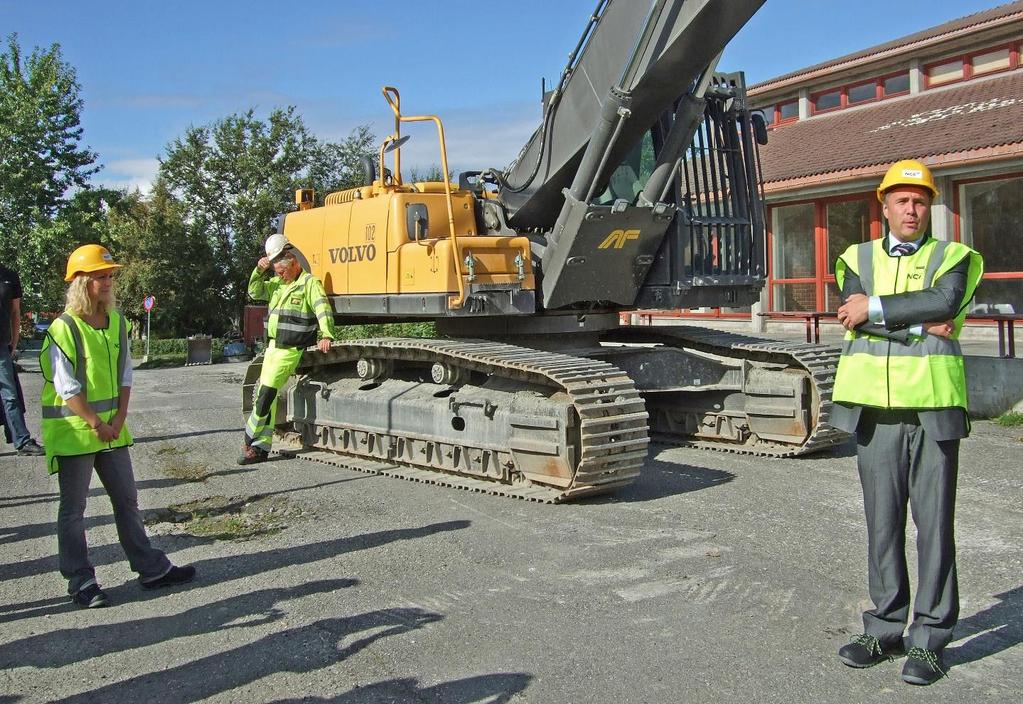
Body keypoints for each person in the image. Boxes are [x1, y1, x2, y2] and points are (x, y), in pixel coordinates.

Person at [830, 160, 984, 686]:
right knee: (882, 525)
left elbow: (945, 301)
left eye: (920, 201)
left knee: (935, 528)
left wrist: (875, 311)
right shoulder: (855, 257)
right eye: (902, 200)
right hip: (875, 413)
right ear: (885, 205)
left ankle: (931, 638)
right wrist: (916, 322)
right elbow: (856, 314)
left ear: (930, 206)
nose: (911, 209)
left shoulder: (956, 257)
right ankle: (884, 628)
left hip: (933, 410)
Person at [40, 244, 195, 608]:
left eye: (110, 276)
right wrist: (97, 423)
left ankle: (150, 568)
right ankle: (80, 581)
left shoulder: (118, 321)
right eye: (101, 277)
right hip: (77, 433)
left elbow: (125, 372)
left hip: (111, 430)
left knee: (127, 500)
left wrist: (120, 418)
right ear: (82, 283)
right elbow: (66, 388)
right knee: (74, 511)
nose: (108, 282)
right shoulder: (63, 328)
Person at [239, 234, 334, 464]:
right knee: (268, 400)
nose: (279, 275)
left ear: (292, 261)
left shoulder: (308, 283)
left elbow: (322, 307)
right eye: (276, 272)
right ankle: (261, 448)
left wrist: (326, 334)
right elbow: (254, 291)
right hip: (272, 348)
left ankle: (248, 440)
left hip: (290, 349)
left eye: (281, 271)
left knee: (266, 394)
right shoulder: (277, 285)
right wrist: (258, 271)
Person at [0, 262, 44, 455]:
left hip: (1, 345)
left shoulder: (9, 276)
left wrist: (14, 343)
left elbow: (16, 312)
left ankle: (22, 441)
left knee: (9, 394)